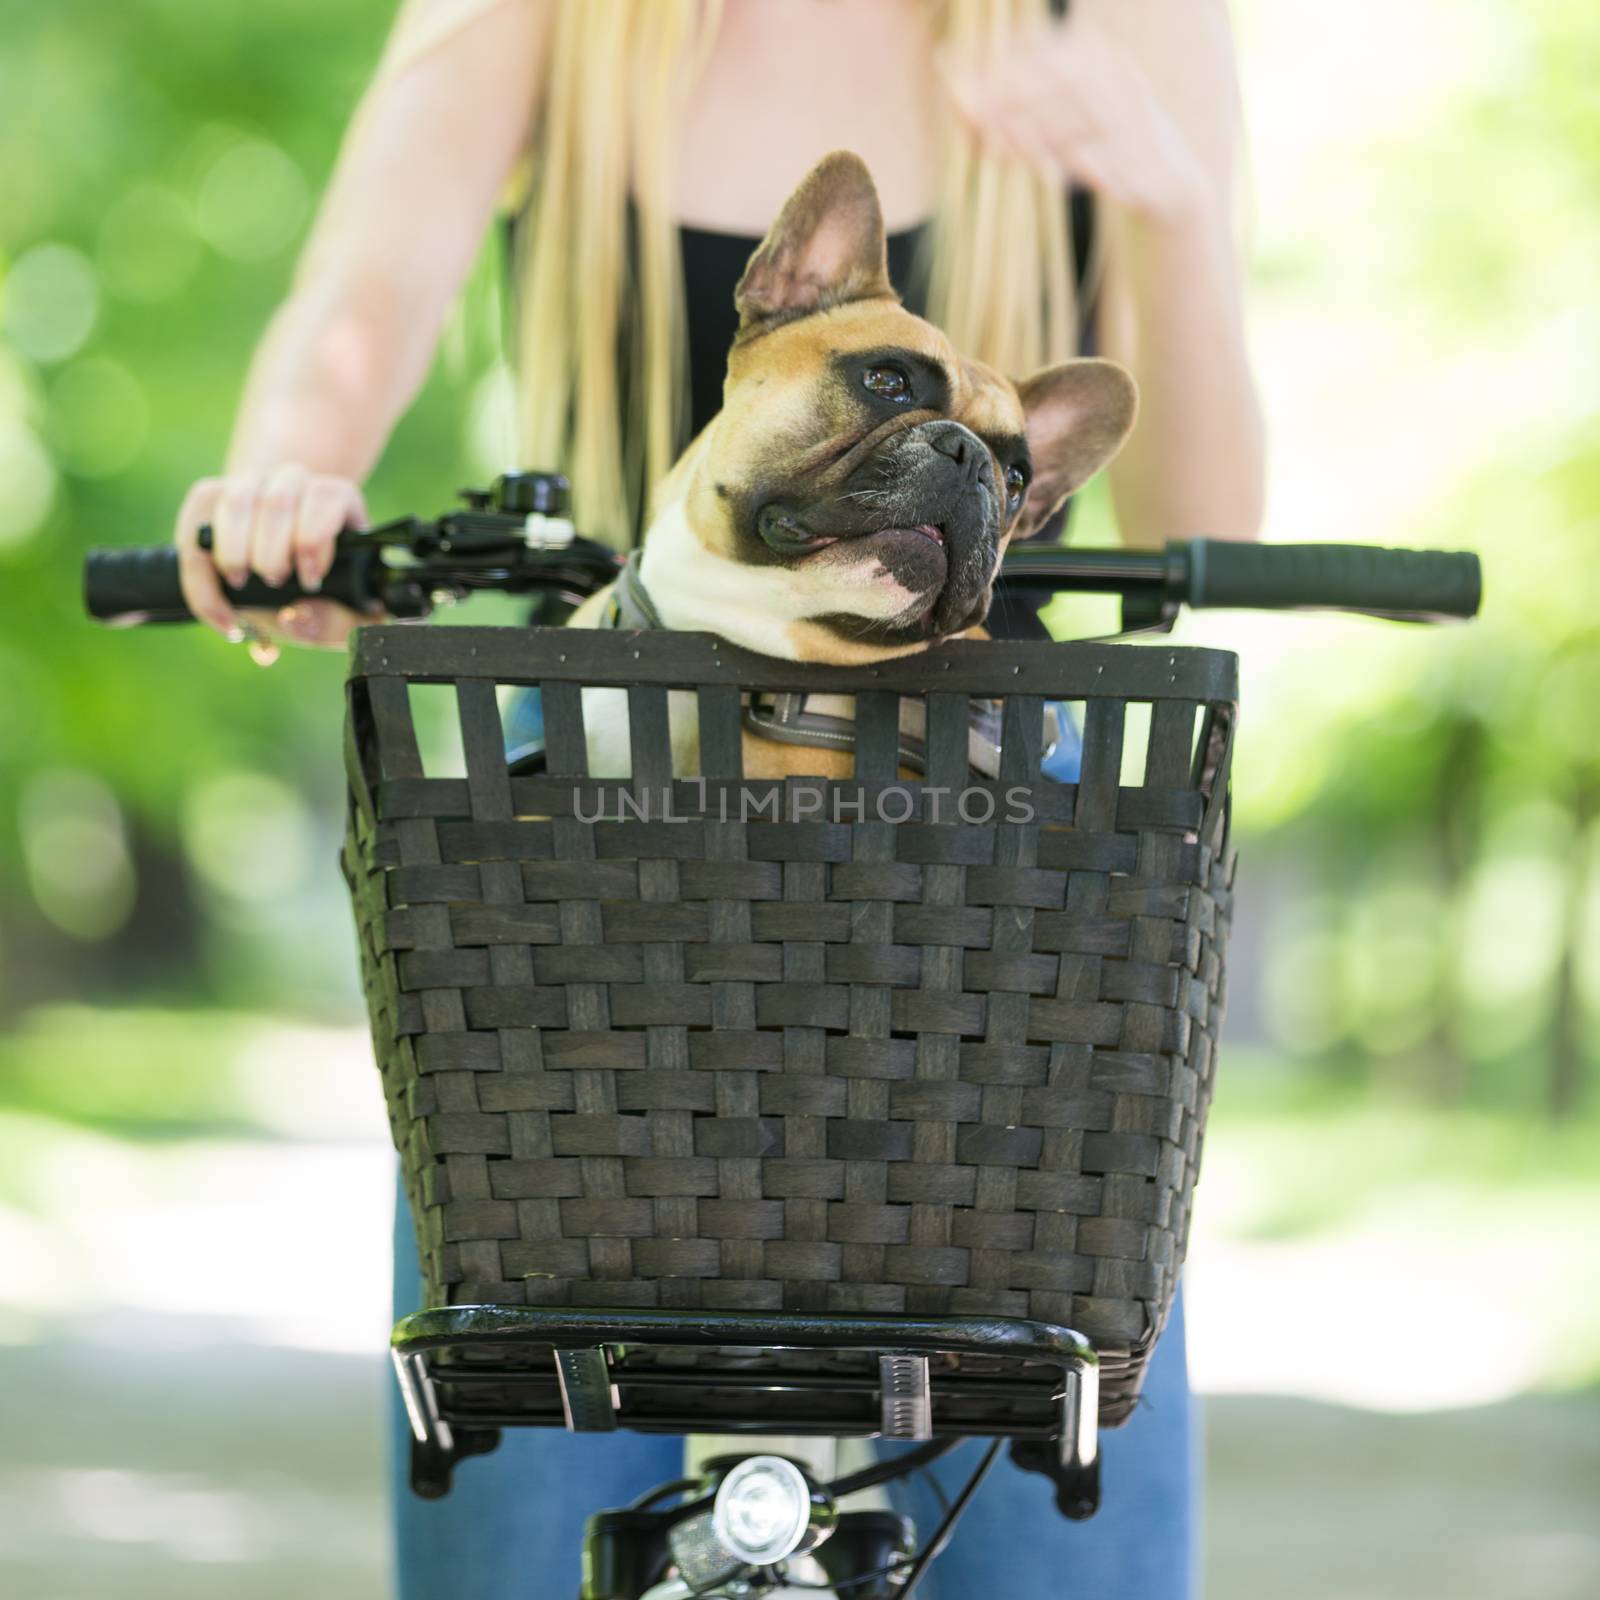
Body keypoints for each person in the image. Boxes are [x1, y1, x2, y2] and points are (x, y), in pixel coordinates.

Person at [176, 3, 1263, 1595]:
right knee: (517, 1379)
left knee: (1067, 1392)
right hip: (626, 734)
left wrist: (1167, 201)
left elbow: (1213, 527)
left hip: (978, 816)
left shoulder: (1117, 19)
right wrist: (292, 468)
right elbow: (362, 293)